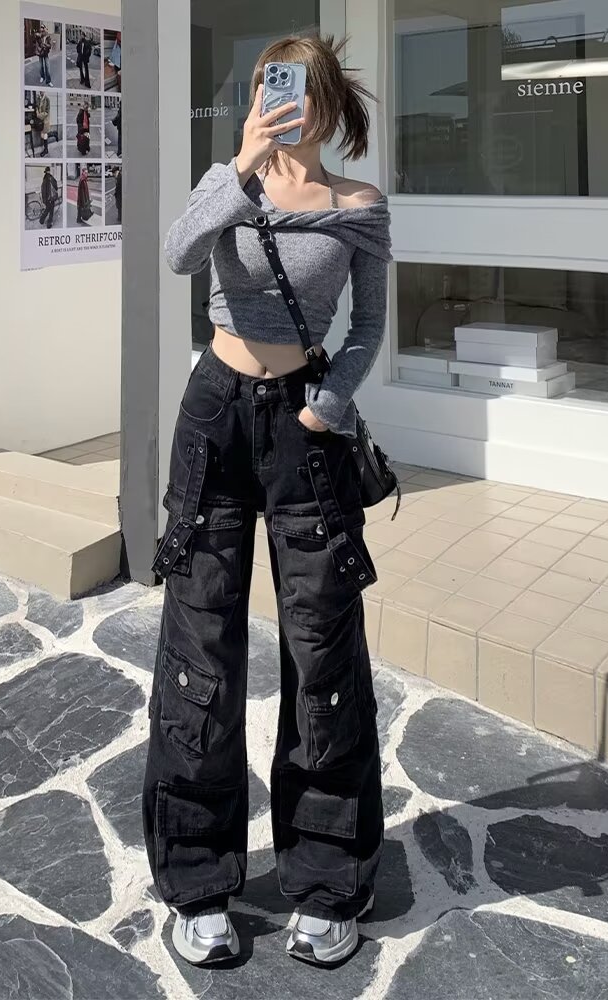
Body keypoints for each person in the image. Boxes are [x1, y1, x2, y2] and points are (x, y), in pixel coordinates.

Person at [141, 34, 391, 969]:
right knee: (199, 647)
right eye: (263, 87)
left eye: (292, 88)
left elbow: (369, 327)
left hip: (303, 431)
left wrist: (329, 405)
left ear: (325, 101)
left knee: (321, 650)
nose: (278, 102)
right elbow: (177, 254)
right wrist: (240, 166)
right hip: (214, 417)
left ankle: (326, 880)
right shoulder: (229, 181)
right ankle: (198, 881)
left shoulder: (359, 207)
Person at [35, 91, 52, 157]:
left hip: (45, 120)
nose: (41, 92)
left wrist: (39, 115)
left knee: (44, 135)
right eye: (40, 91)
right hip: (40, 120)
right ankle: (54, 134)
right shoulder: (38, 98)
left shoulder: (47, 99)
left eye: (42, 91)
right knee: (42, 135)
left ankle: (46, 150)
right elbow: (37, 107)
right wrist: (37, 112)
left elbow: (47, 111)